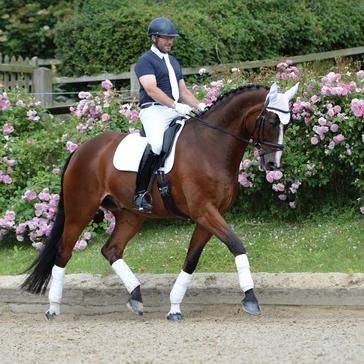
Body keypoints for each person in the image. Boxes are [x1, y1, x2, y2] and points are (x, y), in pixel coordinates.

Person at [133, 17, 206, 212]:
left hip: (173, 109)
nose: (170, 42)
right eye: (166, 38)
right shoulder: (145, 61)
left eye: (171, 38)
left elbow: (183, 92)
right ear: (154, 38)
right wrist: (176, 106)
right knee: (156, 145)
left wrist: (200, 106)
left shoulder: (173, 61)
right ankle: (140, 194)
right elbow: (151, 89)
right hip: (154, 111)